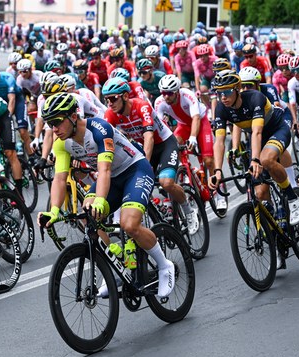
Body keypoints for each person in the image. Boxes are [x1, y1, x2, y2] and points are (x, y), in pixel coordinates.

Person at [38, 93, 175, 298]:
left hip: (134, 169)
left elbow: (104, 171)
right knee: (87, 215)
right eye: (50, 124)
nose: (54, 129)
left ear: (74, 117)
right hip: (111, 177)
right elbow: (59, 179)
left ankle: (165, 265)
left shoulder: (99, 129)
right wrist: (54, 211)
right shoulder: (61, 143)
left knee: (129, 225)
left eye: (57, 122)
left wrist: (101, 200)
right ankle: (116, 261)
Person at [208, 70, 299, 225]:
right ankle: (276, 226)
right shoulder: (220, 108)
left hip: (276, 128)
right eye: (219, 93)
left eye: (227, 92)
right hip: (258, 137)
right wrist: (217, 171)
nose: (223, 97)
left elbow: (257, 132)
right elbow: (219, 141)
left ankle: (292, 197)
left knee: (266, 160)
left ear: (237, 89)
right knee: (260, 192)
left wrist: (255, 160)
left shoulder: (255, 98)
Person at [101, 77, 196, 227]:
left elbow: (149, 137)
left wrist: (144, 164)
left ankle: (189, 210)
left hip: (164, 143)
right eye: (107, 99)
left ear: (125, 96)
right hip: (143, 146)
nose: (110, 103)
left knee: (166, 183)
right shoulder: (110, 114)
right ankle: (157, 210)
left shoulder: (142, 106)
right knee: (136, 185)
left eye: (113, 98)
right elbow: (104, 138)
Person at [154, 74, 225, 214]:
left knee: (208, 160)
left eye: (169, 93)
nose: (166, 97)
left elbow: (196, 118)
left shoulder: (187, 95)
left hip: (201, 121)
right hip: (184, 125)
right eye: (163, 93)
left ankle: (218, 192)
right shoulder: (159, 102)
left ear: (177, 92)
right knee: (173, 145)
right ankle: (184, 171)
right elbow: (161, 127)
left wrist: (193, 137)